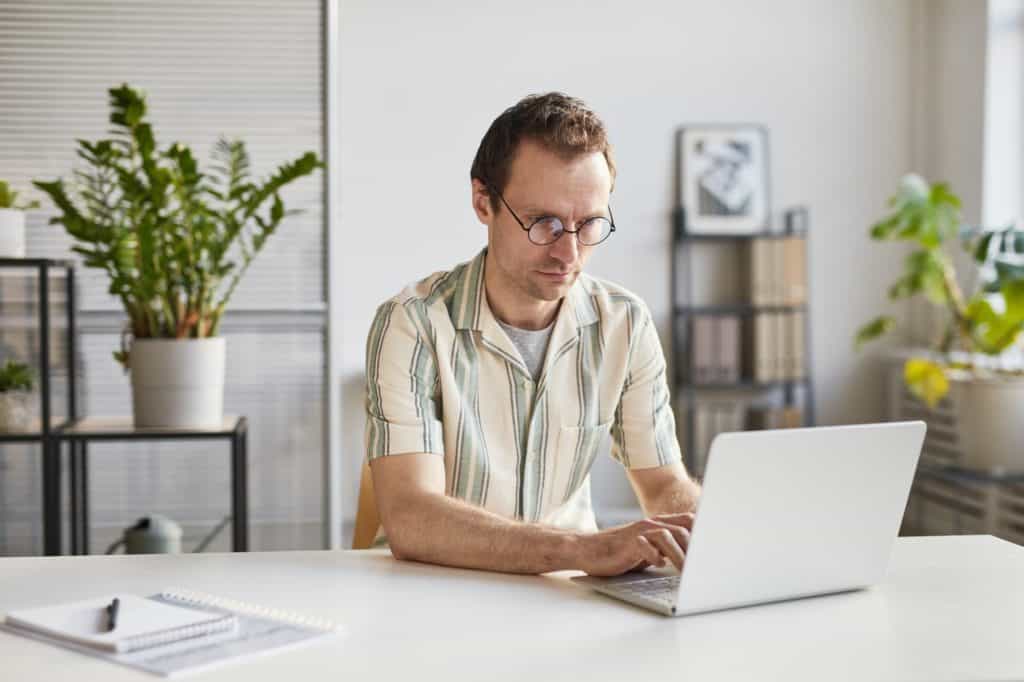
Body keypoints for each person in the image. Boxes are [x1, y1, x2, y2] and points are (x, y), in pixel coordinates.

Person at [365, 92, 701, 576]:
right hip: (435, 590)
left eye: (588, 225)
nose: (568, 255)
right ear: (484, 201)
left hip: (568, 595)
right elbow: (411, 517)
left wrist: (700, 528)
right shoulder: (412, 324)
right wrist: (583, 550)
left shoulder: (625, 323)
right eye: (543, 223)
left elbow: (663, 483)